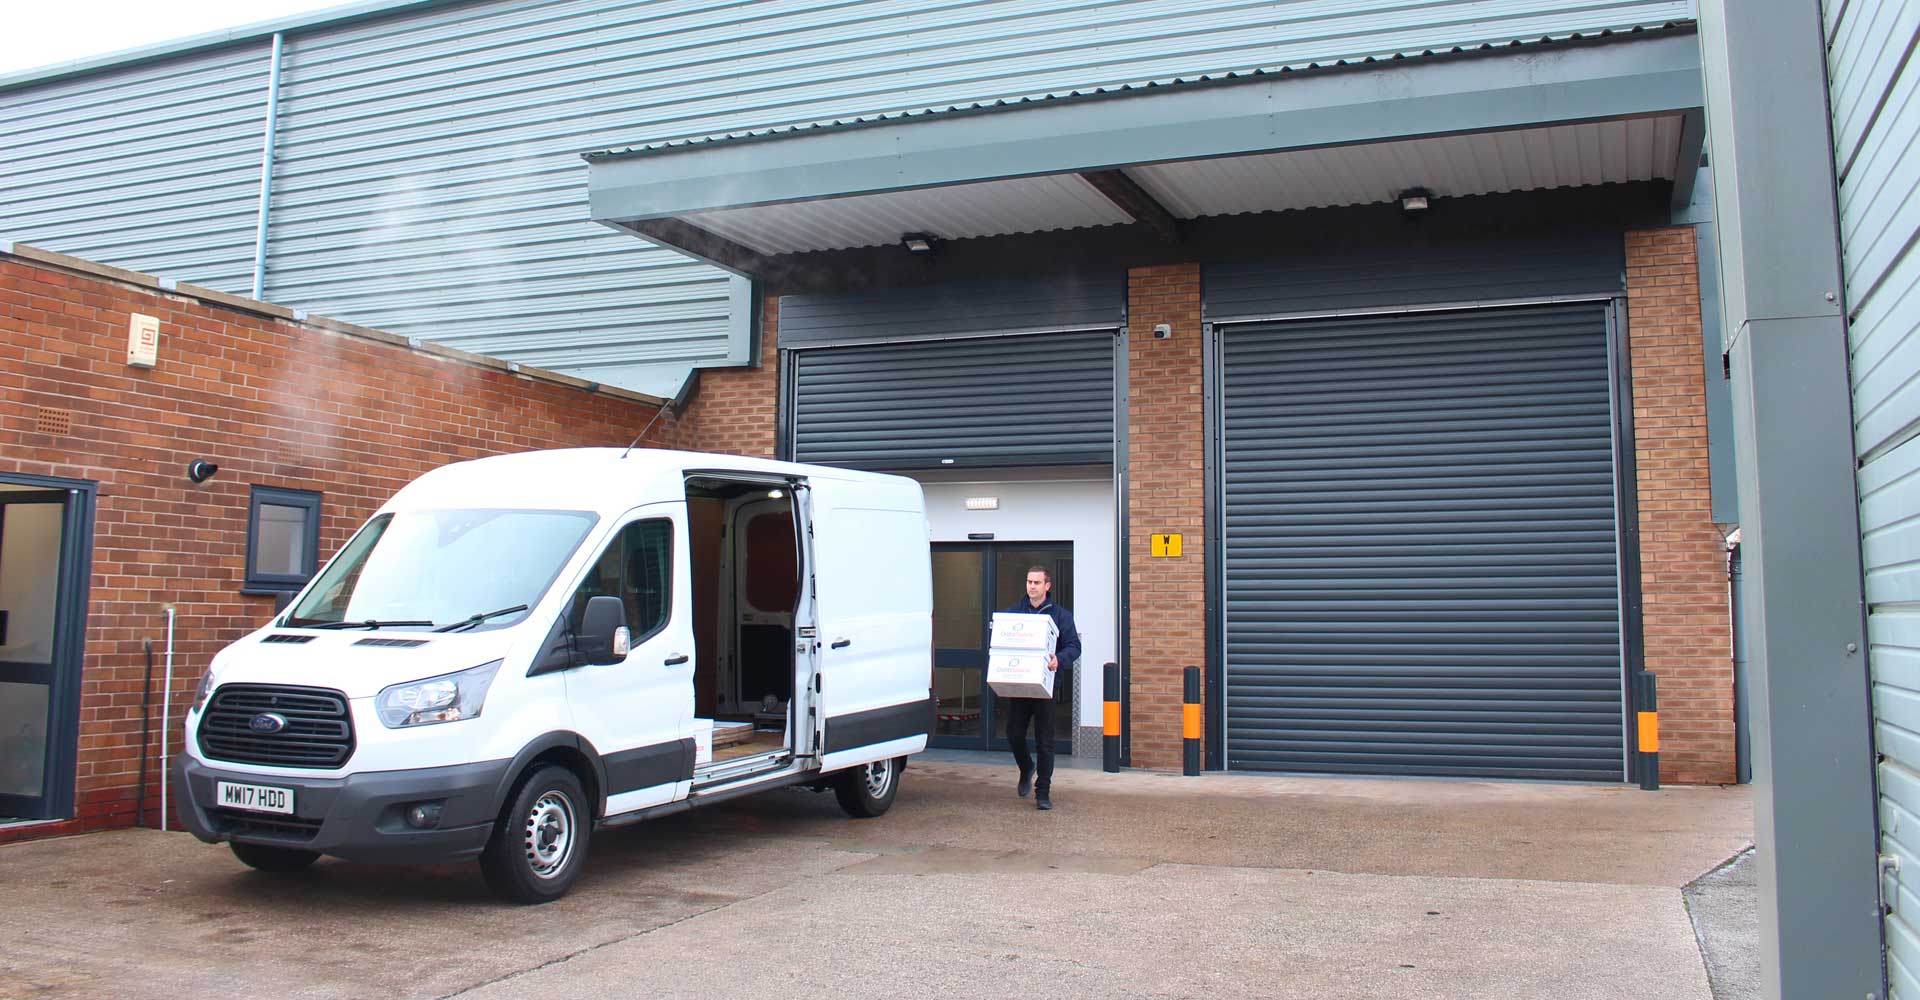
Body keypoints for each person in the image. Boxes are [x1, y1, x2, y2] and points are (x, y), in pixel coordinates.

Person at [1002, 565, 1080, 811]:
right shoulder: (1014, 613)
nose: (1031, 586)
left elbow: (1074, 646)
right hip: (1020, 685)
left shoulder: (1061, 616)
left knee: (1045, 742)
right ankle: (1027, 767)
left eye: (1037, 582)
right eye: (1029, 582)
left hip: (1046, 687)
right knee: (1014, 734)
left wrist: (1060, 659)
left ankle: (1043, 791)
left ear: (1047, 586)